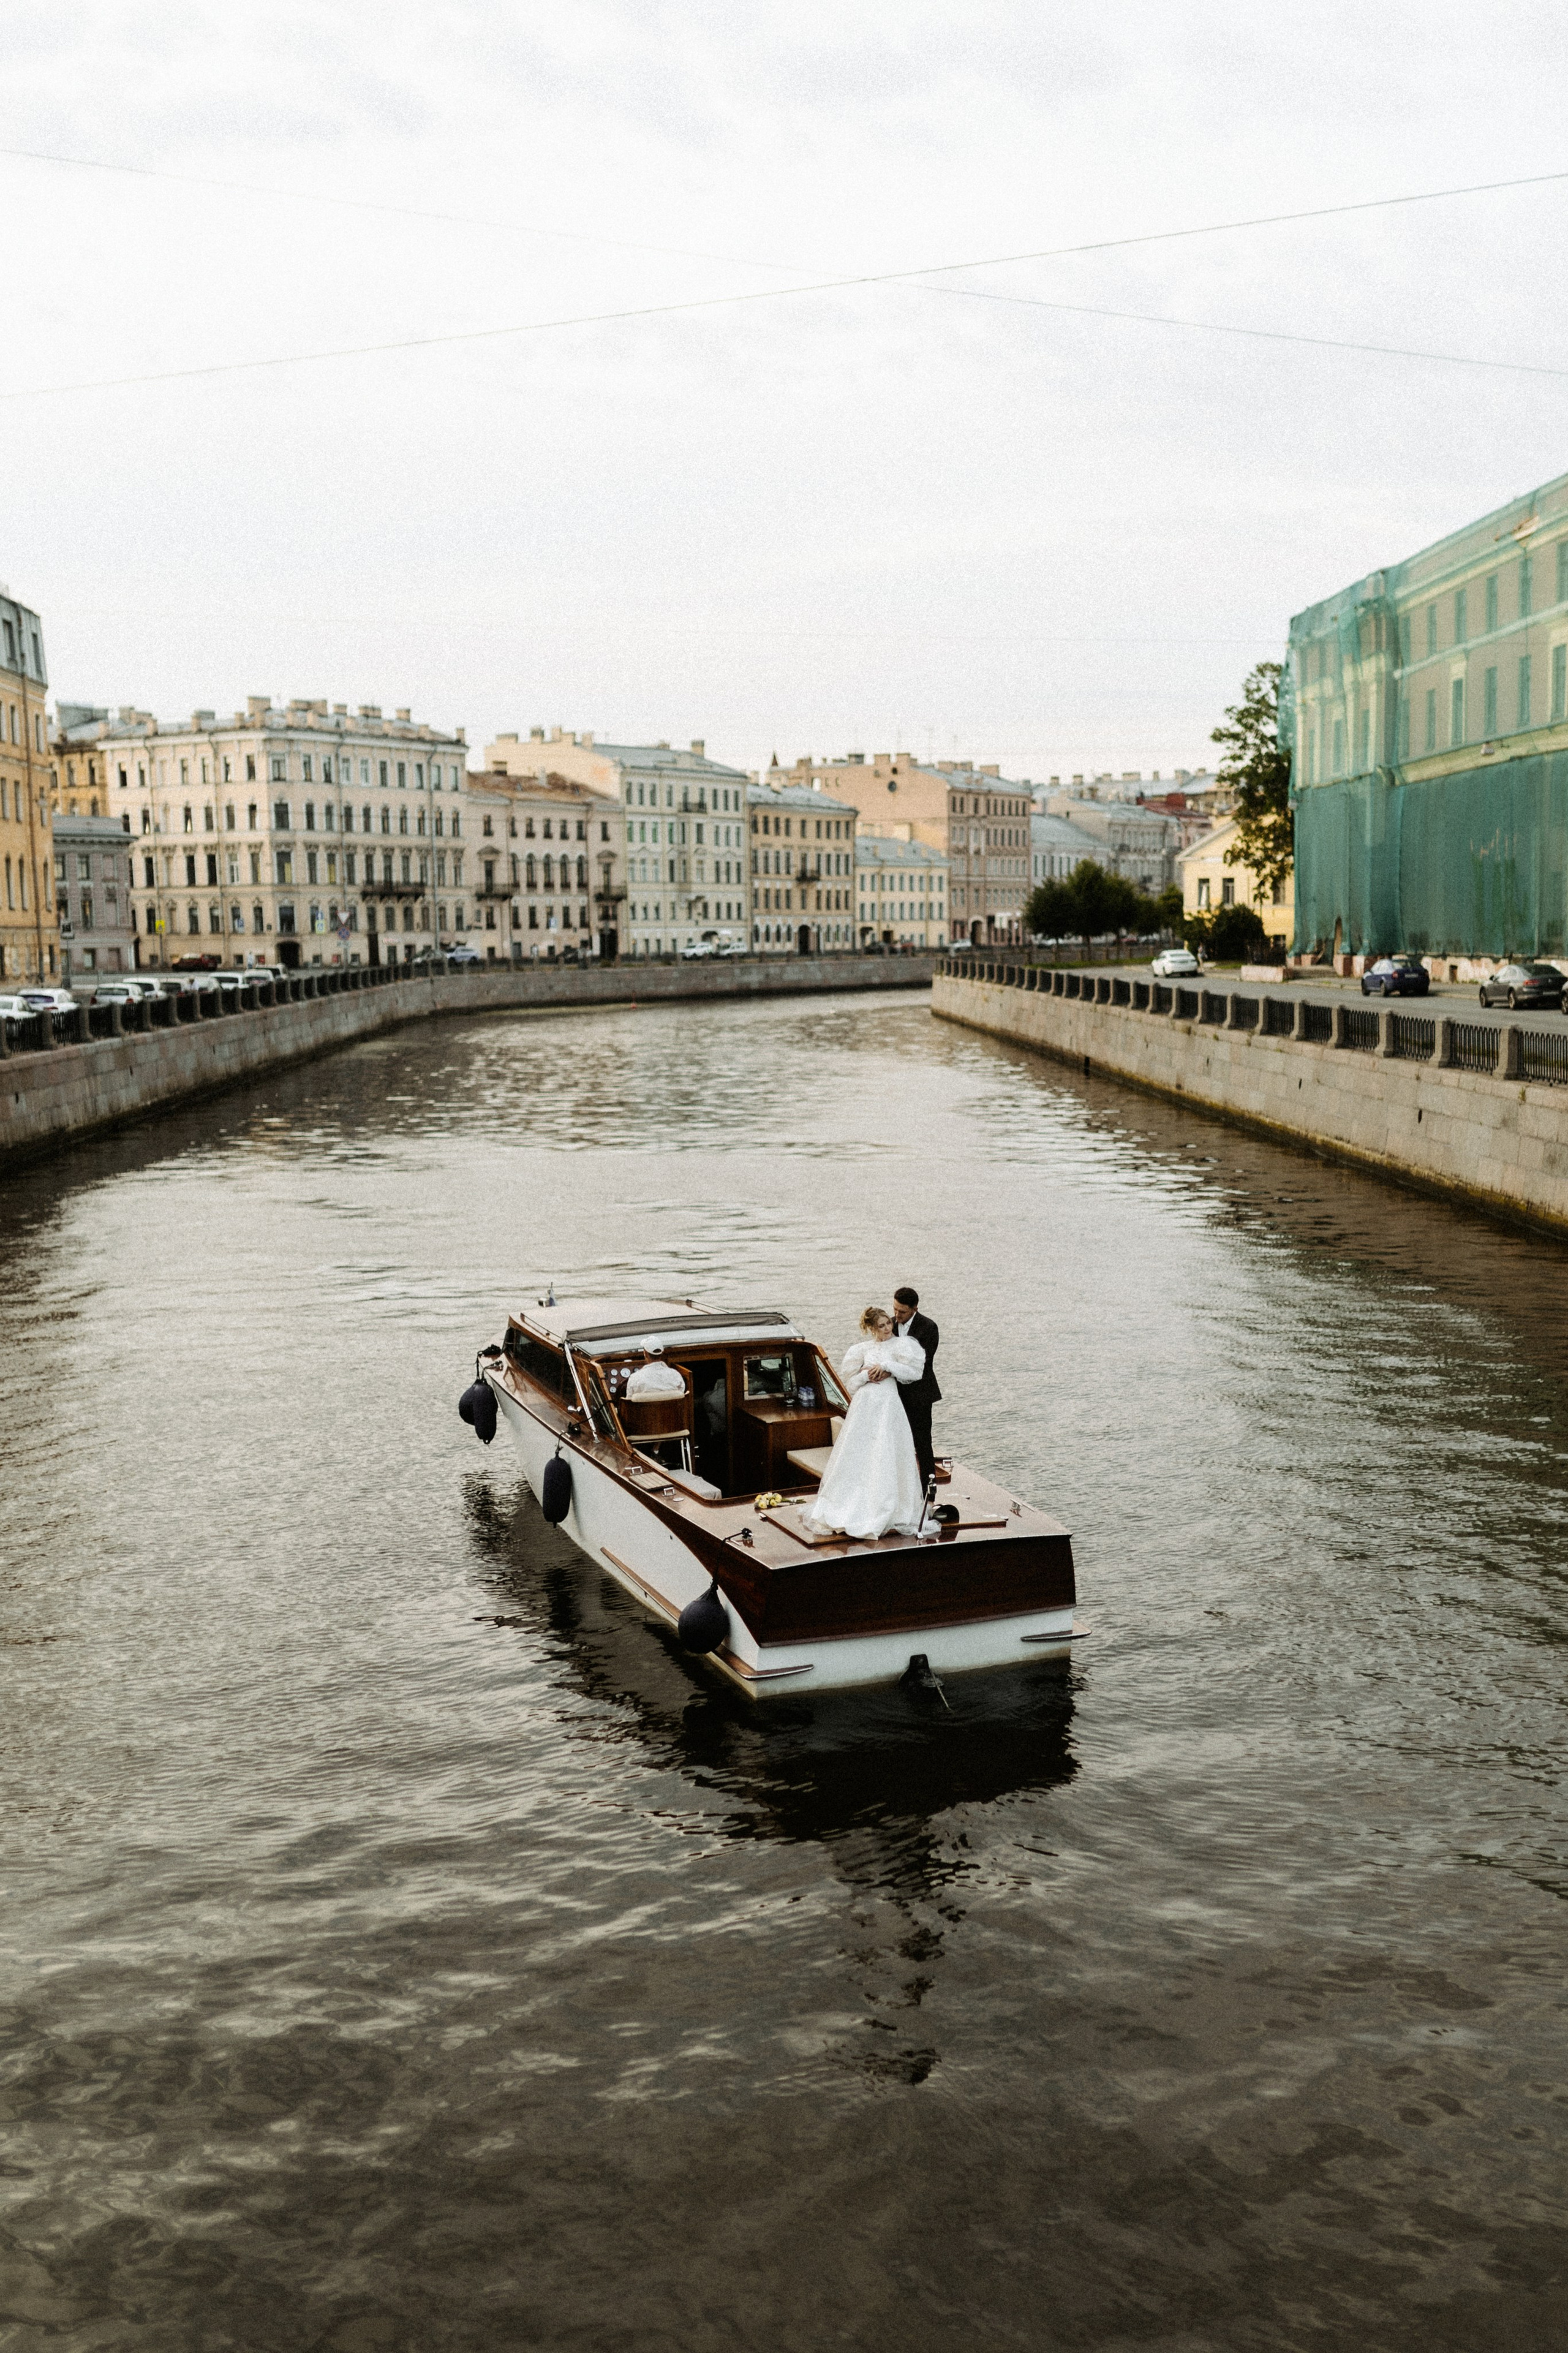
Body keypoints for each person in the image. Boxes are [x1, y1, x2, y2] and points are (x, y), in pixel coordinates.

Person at [801, 1309, 926, 1539]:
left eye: (888, 1323)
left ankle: (889, 1507)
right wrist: (867, 1376)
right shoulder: (862, 1350)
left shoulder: (902, 1345)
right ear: (871, 1329)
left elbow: (915, 1372)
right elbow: (851, 1384)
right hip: (864, 1406)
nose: (887, 1328)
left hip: (888, 1404)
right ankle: (854, 1503)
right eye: (881, 1326)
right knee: (861, 1452)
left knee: (887, 1450)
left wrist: (888, 1367)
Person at [887, 1285, 940, 1487]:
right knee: (895, 1441)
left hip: (920, 1395)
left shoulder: (929, 1328)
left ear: (915, 1309)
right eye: (895, 1309)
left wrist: (890, 1368)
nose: (897, 1315)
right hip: (894, 1394)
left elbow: (921, 1364)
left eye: (902, 1311)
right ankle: (901, 1486)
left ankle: (928, 1488)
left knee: (922, 1442)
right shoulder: (889, 1325)